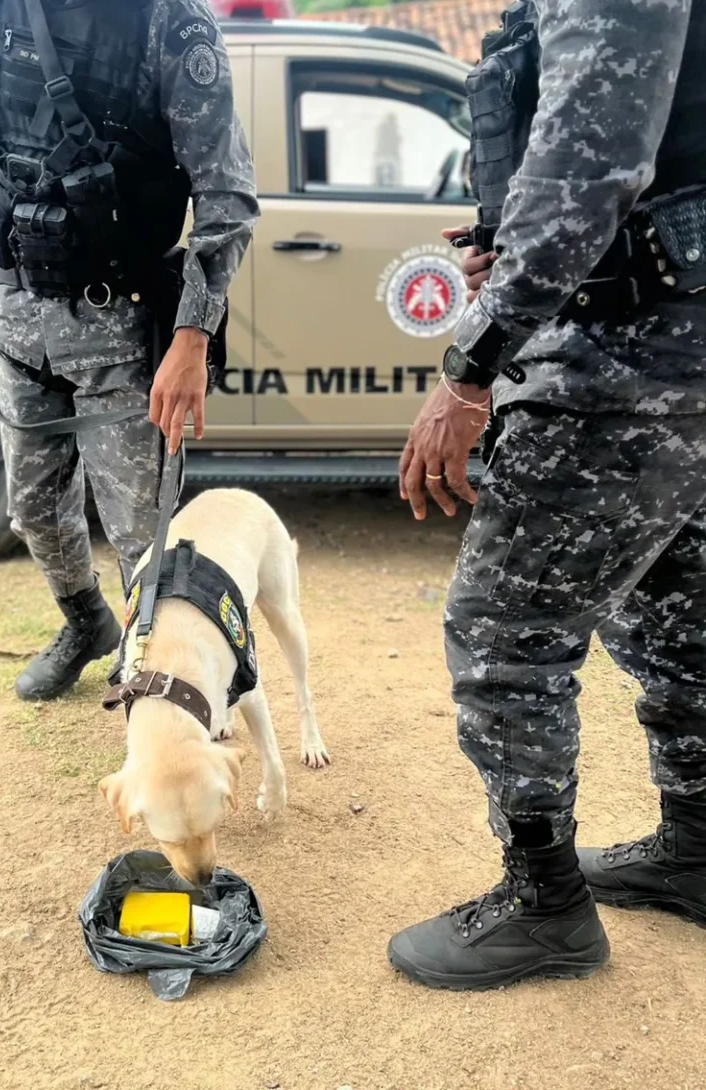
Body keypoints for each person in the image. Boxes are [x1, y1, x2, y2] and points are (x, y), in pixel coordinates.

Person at [389, 0, 706, 991]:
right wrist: (509, 237)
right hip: (677, 336)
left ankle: (544, 907)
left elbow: (593, 150)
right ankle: (697, 844)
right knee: (675, 610)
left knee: (502, 630)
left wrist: (474, 361)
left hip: (627, 353)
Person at [0, 0, 258, 701]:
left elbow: (226, 195)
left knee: (144, 534)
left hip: (122, 323)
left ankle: (161, 673)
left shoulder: (168, 20)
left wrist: (191, 338)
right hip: (14, 313)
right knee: (31, 506)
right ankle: (86, 623)